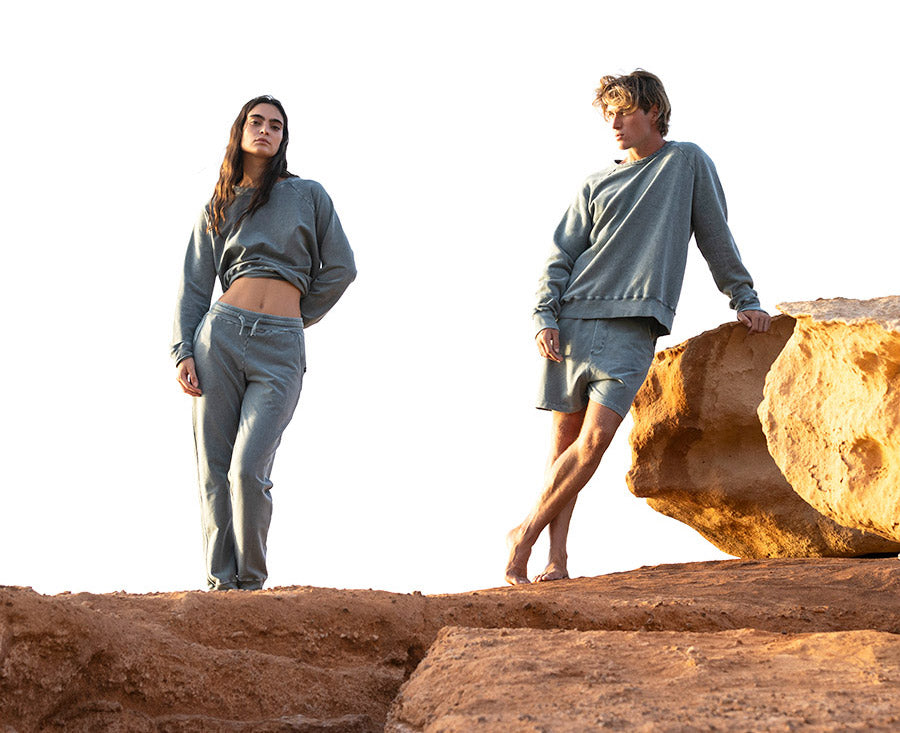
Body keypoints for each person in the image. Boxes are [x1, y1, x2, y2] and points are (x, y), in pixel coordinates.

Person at [505, 70, 770, 585]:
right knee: (562, 452)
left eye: (624, 112)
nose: (615, 123)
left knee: (594, 444)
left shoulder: (685, 162)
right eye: (608, 115)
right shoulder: (594, 183)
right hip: (572, 322)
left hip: (632, 327)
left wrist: (744, 297)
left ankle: (523, 534)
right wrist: (543, 316)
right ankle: (556, 561)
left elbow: (715, 234)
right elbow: (560, 256)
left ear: (653, 112)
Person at [172, 95, 356, 590]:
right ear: (241, 131)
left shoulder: (308, 195)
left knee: (248, 469)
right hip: (221, 338)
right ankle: (219, 583)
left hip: (280, 347)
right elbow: (194, 285)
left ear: (283, 139)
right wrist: (183, 350)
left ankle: (250, 584)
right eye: (257, 121)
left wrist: (297, 316)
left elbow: (342, 268)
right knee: (214, 467)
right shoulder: (217, 204)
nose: (266, 130)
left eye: (276, 125)